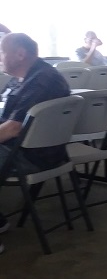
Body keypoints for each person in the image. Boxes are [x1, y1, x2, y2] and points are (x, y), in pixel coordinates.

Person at [0, 33, 70, 254]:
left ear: (20, 54)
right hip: (28, 150)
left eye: (2, 52)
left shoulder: (42, 80)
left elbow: (13, 128)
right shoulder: (25, 77)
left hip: (30, 156)